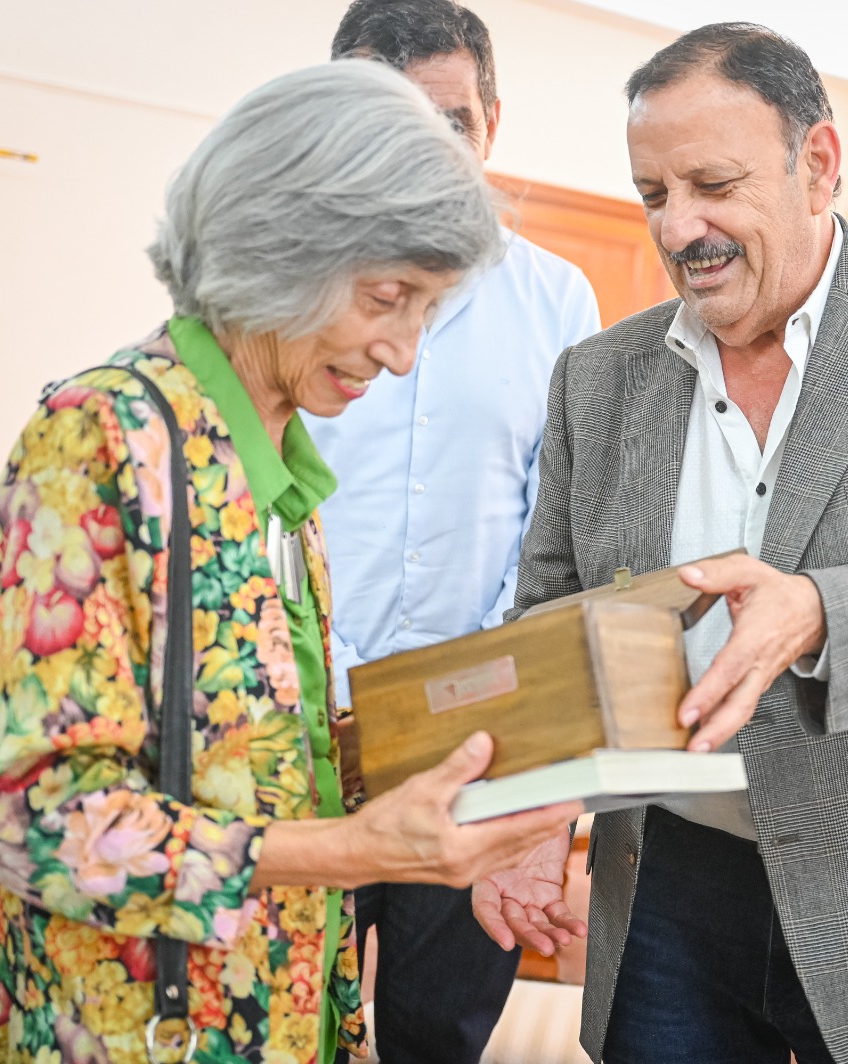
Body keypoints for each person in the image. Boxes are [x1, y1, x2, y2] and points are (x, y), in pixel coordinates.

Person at [476, 22, 848, 1064]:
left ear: (819, 165)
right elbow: (552, 616)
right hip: (667, 889)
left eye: (713, 183)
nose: (680, 228)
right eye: (654, 194)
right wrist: (533, 819)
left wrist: (819, 610)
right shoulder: (597, 376)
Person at [0, 60, 580, 1064]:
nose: (405, 351)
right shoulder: (102, 437)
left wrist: (466, 790)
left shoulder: (277, 456)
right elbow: (41, 819)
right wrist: (356, 850)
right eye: (388, 299)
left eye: (428, 309)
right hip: (122, 1032)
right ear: (283, 247)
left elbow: (247, 755)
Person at [307, 2, 600, 1060]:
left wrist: (541, 795)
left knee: (442, 1036)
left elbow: (560, 536)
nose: (420, 152)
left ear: (492, 121)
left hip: (476, 744)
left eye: (448, 120)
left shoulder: (558, 301)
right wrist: (332, 685)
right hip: (292, 731)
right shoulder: (279, 287)